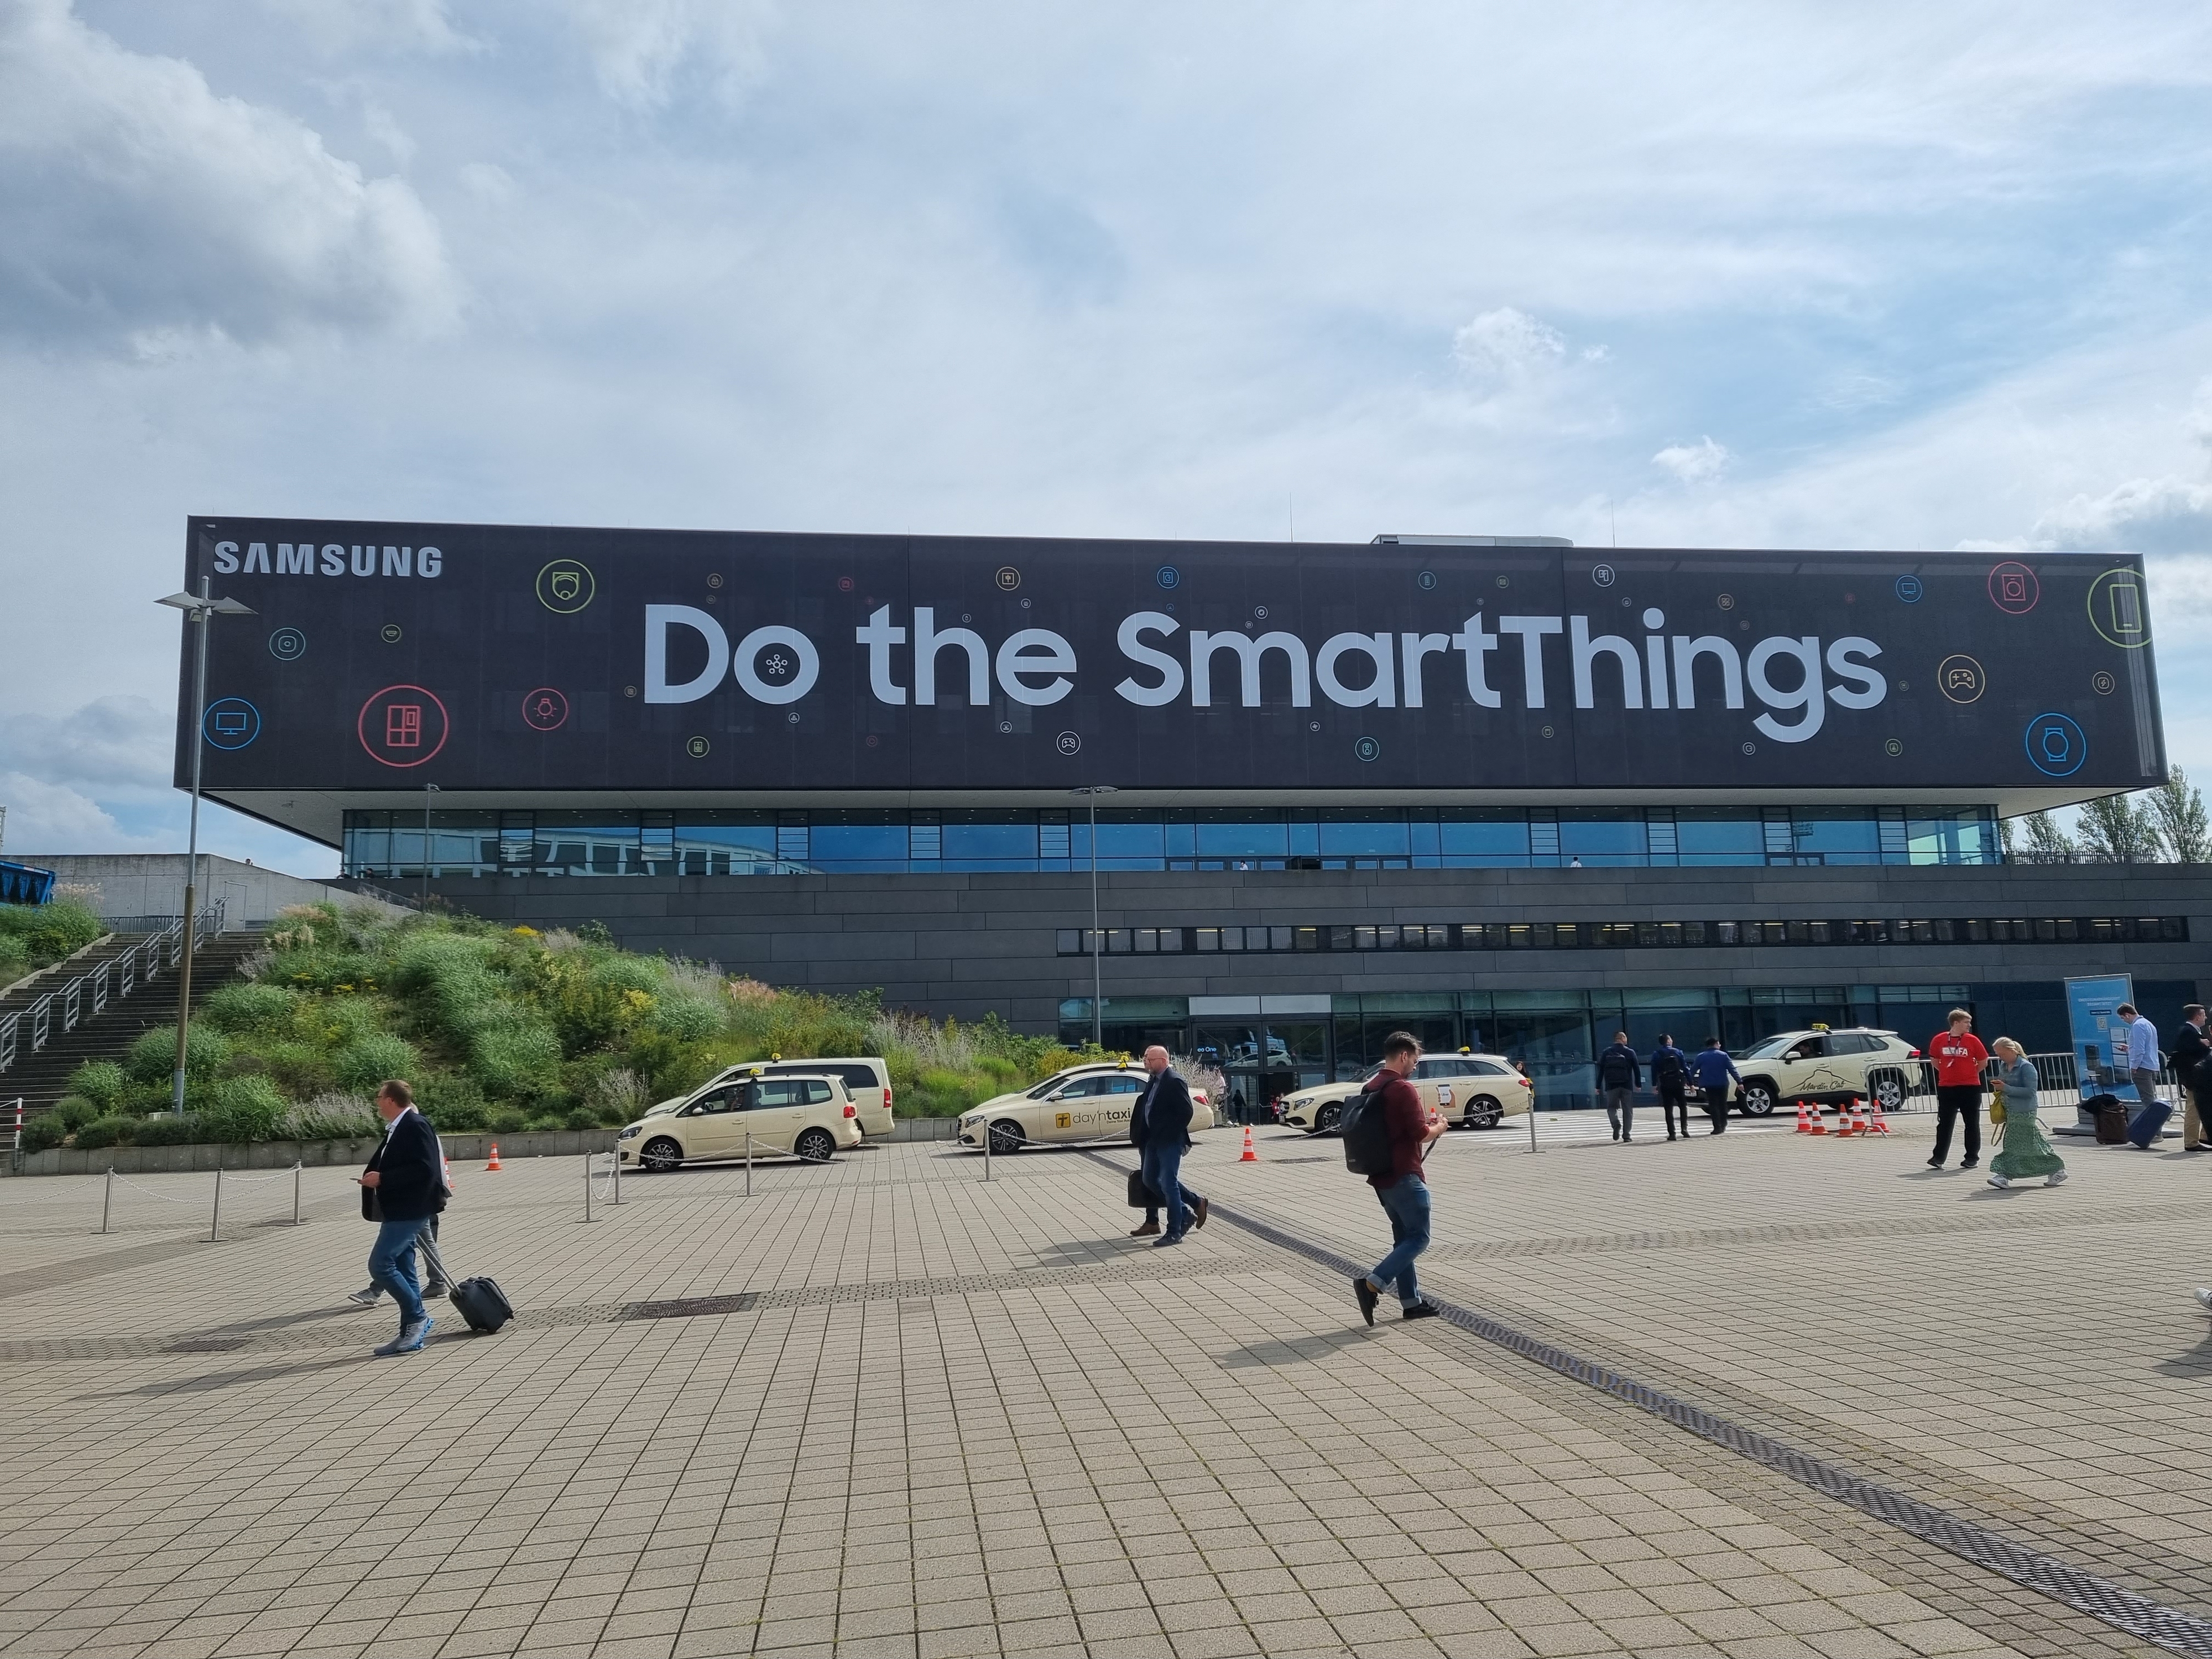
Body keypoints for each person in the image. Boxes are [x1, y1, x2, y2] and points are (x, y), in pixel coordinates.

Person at [1353, 1031, 1445, 1325]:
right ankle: (1373, 1283)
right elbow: (1421, 1133)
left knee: (1403, 1239)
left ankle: (1411, 1302)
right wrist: (1440, 1127)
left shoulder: (1373, 1086)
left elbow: (1395, 1127)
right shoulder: (1402, 1088)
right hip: (1405, 1174)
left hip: (1381, 1176)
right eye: (1415, 1059)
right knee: (1419, 1237)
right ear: (1404, 1056)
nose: (1416, 1065)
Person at [358, 1079, 442, 1356]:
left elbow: (426, 1170)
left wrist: (383, 1178)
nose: (377, 1102)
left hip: (412, 1210)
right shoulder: (398, 1127)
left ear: (391, 1100)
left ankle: (418, 1318)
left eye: (379, 1096)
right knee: (405, 1268)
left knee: (381, 1265)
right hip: (398, 1208)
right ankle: (409, 1332)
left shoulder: (415, 1125)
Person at [348, 1136, 452, 1306]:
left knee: (395, 1246)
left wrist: (383, 1179)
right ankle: (436, 1284)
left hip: (412, 1202)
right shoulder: (411, 1132)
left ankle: (376, 1291)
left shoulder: (415, 1133)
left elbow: (420, 1169)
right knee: (419, 1242)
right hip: (412, 1201)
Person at [1132, 1046, 1207, 1246]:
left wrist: (1168, 1132)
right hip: (1152, 1141)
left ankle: (1174, 1231)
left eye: (1149, 1058)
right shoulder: (1153, 1080)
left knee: (1168, 1183)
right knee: (1149, 1180)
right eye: (1145, 1057)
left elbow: (1186, 1112)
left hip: (1169, 1141)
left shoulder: (1174, 1081)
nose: (1145, 1061)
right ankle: (1189, 1208)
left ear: (1163, 1061)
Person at [1985, 1038, 2066, 1190]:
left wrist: (2006, 1088)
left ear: (2012, 1050)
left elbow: (2030, 1092)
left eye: (2001, 1053)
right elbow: (2005, 1084)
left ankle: (2003, 1176)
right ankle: (2057, 1170)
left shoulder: (2026, 1067)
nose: (1999, 1057)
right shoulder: (2004, 1066)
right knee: (2032, 1143)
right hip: (2010, 1110)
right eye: (1997, 1054)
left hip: (2025, 1111)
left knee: (2014, 1144)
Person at [1927, 1009, 1988, 1170]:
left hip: (1970, 1088)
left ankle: (1971, 1158)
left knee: (1972, 1123)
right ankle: (1938, 1157)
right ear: (1956, 1023)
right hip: (1947, 1088)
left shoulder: (1972, 1040)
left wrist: (1970, 1073)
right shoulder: (1939, 1040)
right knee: (1945, 1123)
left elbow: (1983, 1061)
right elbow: (1934, 1059)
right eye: (1966, 1022)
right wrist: (1946, 1072)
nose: (1969, 1025)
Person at [2172, 1004, 2210, 1152]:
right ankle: (2191, 1142)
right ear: (2197, 1017)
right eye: (2204, 1015)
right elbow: (2185, 1054)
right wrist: (2202, 1045)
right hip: (2193, 1078)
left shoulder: (2193, 1031)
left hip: (2197, 1078)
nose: (2206, 1018)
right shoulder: (2188, 1032)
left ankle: (2204, 1135)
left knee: (2204, 1107)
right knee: (2194, 1108)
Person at [2117, 1002, 2163, 1116]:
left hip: (2142, 1068)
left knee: (2148, 1100)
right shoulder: (2148, 1023)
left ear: (2127, 1015)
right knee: (2152, 1098)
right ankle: (2157, 1129)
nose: (2124, 1021)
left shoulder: (2137, 1026)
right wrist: (2129, 1049)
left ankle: (2155, 1130)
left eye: (2123, 1018)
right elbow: (2146, 1047)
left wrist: (2134, 1067)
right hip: (2152, 1065)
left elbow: (2140, 1050)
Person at [1596, 1030, 1641, 1142]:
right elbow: (1636, 1069)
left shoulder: (1606, 1052)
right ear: (1622, 1039)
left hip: (1611, 1086)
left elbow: (1601, 1070)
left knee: (1612, 1108)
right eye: (1625, 1037)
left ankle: (1616, 1123)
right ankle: (1627, 1135)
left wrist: (1598, 1086)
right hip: (1627, 1086)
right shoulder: (1630, 1052)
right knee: (1628, 1110)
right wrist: (1638, 1084)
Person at [1688, 1037, 1740, 1134]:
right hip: (1722, 1083)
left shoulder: (1701, 1056)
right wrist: (1739, 1082)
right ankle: (1723, 1125)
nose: (1720, 1046)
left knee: (1713, 1105)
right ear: (1716, 1044)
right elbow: (1732, 1069)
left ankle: (1717, 1127)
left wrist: (1689, 1082)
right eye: (1719, 1044)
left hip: (1709, 1085)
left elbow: (1693, 1070)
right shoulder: (1724, 1056)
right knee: (1723, 1104)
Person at [1650, 1035, 1691, 1141]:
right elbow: (1685, 1068)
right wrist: (1691, 1083)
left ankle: (1672, 1133)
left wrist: (1654, 1085)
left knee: (1668, 1109)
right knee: (1683, 1106)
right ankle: (1684, 1129)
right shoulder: (1678, 1052)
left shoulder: (1657, 1054)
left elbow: (1654, 1071)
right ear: (1668, 1041)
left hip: (1665, 1083)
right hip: (1678, 1082)